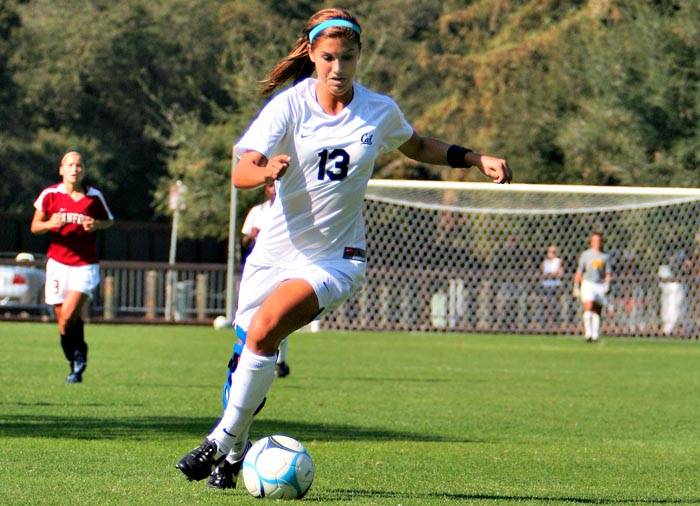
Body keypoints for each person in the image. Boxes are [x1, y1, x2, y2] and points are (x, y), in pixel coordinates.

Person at [176, 7, 511, 489]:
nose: (338, 68)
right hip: (275, 250)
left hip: (335, 259)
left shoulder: (378, 110)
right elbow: (240, 170)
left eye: (347, 58)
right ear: (312, 54)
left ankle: (219, 442)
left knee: (266, 330)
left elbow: (416, 146)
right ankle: (233, 457)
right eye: (329, 57)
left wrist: (475, 158)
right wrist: (264, 171)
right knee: (247, 351)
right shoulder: (289, 107)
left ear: (359, 57)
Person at [30, 151, 114, 383]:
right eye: (70, 165)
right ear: (61, 169)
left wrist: (96, 224)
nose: (74, 169)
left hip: (85, 266)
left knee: (68, 317)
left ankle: (80, 357)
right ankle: (74, 360)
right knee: (63, 323)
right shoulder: (50, 195)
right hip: (57, 264)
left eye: (79, 165)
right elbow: (35, 226)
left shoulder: (94, 196)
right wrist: (50, 223)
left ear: (83, 170)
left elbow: (109, 221)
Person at [239, 182, 290, 378]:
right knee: (249, 314)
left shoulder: (289, 209)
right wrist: (254, 236)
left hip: (283, 267)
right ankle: (246, 357)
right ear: (265, 189)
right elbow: (244, 240)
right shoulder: (257, 212)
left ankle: (279, 361)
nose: (274, 189)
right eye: (270, 186)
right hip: (259, 268)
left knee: (278, 316)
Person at [573, 231, 612, 342]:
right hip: (588, 283)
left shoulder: (605, 256)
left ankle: (595, 334)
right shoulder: (586, 255)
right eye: (594, 241)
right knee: (588, 306)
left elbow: (608, 272)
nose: (597, 243)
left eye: (599, 241)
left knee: (597, 310)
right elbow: (580, 271)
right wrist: (576, 286)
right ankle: (588, 333)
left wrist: (607, 284)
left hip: (599, 284)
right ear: (591, 242)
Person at [540, 244, 564, 331]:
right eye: (550, 252)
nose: (552, 253)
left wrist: (551, 274)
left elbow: (560, 273)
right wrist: (551, 274)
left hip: (555, 285)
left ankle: (555, 323)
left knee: (555, 304)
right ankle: (546, 323)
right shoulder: (545, 262)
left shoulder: (558, 261)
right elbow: (542, 274)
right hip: (546, 285)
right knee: (546, 304)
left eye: (554, 252)